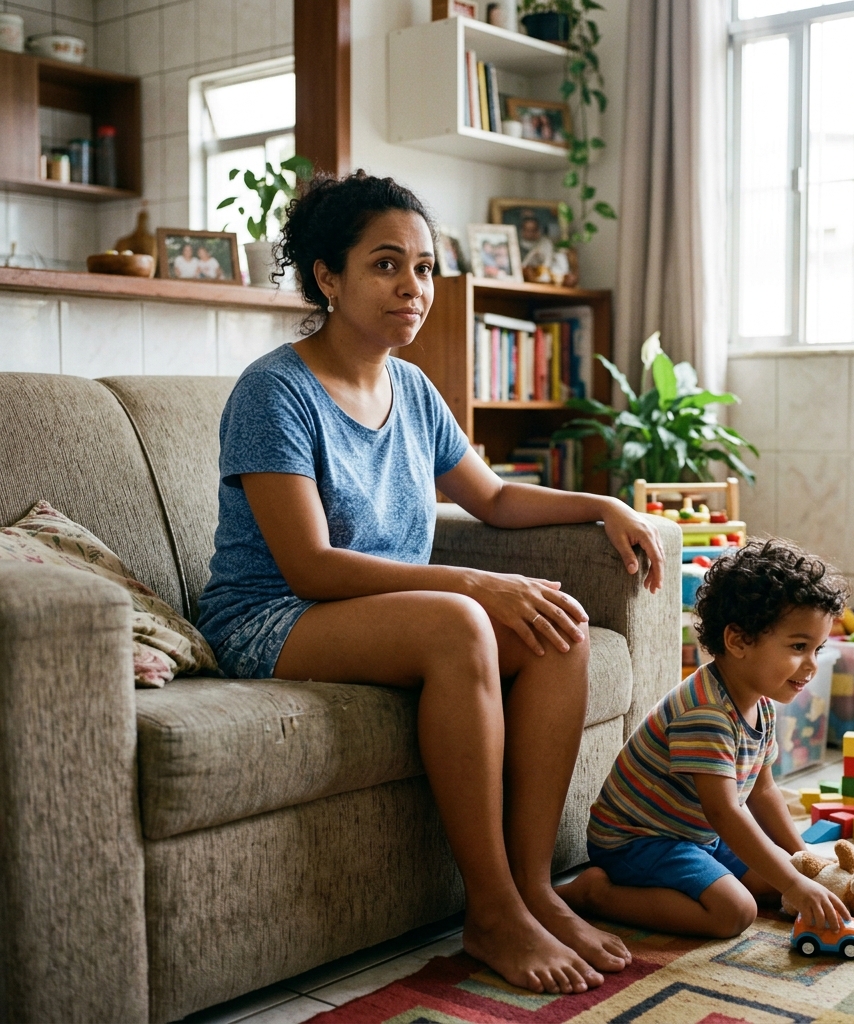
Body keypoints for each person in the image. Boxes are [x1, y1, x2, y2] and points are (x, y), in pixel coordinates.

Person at [196, 170, 666, 996]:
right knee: (462, 621)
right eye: (385, 265)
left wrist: (603, 502)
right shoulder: (274, 391)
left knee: (556, 623)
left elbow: (490, 496)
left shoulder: (410, 387)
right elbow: (306, 565)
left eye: (421, 268)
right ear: (327, 277)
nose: (411, 288)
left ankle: (530, 892)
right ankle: (489, 912)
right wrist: (479, 587)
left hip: (381, 608)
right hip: (273, 615)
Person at [557, 539, 852, 939]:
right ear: (738, 640)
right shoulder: (706, 713)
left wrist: (804, 863)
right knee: (734, 912)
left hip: (693, 836)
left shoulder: (760, 702)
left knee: (777, 877)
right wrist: (796, 884)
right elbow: (725, 813)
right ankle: (597, 894)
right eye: (799, 647)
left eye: (817, 649)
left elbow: (763, 792)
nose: (812, 665)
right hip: (637, 841)